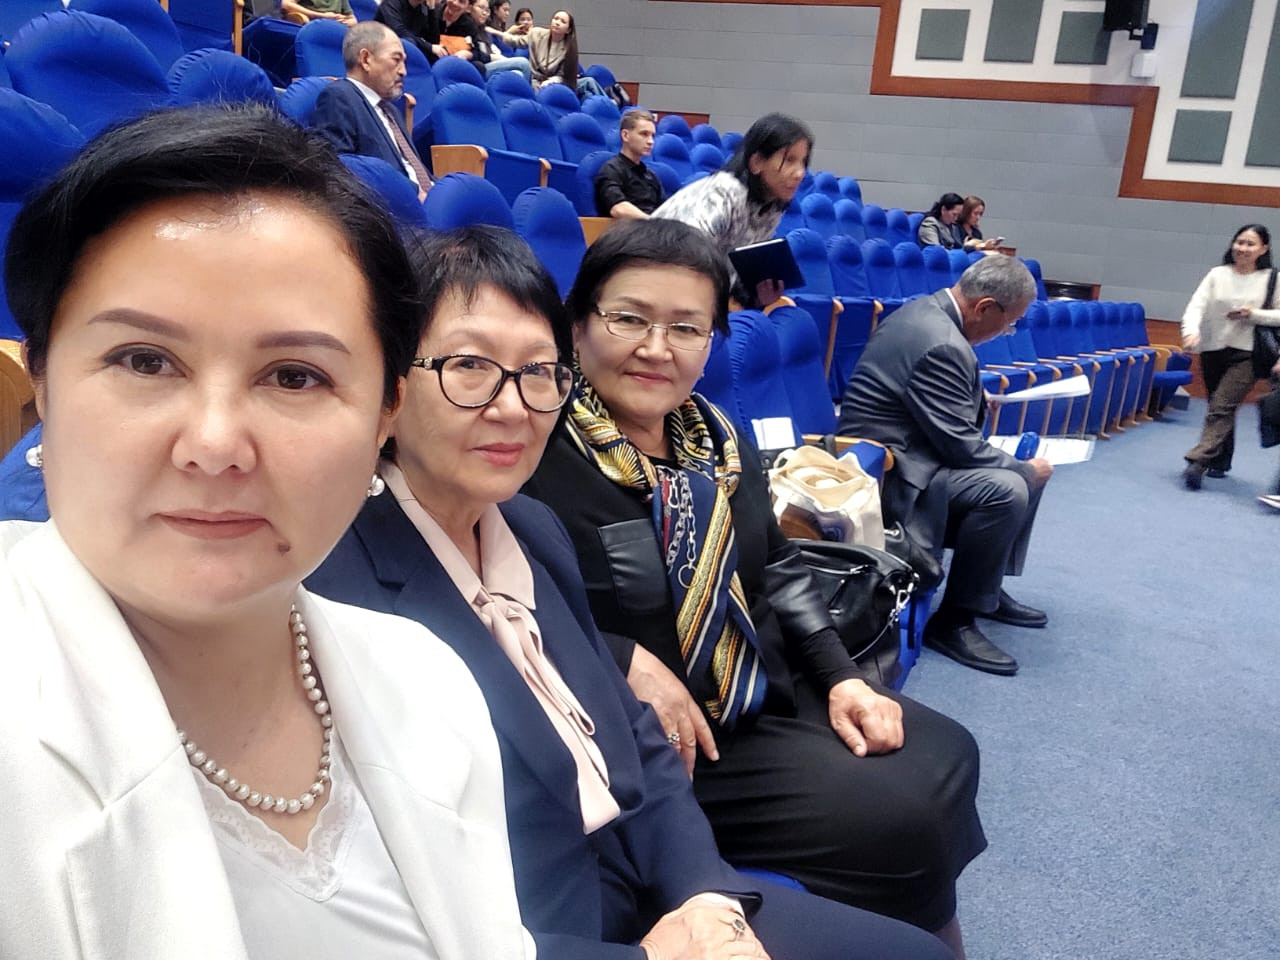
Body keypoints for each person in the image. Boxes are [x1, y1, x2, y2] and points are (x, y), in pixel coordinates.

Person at [308, 225, 955, 960]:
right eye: (469, 367)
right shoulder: (333, 591)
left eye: (536, 371)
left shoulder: (532, 524)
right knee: (896, 823)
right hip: (547, 928)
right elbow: (370, 906)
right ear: (388, 384)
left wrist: (705, 898)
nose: (513, 407)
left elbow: (635, 741)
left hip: (658, 854)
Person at [0, 105, 532, 958]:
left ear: (385, 415)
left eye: (294, 376)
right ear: (44, 383)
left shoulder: (429, 684)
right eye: (144, 361)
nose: (214, 444)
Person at [524, 218, 986, 958]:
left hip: (755, 690)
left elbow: (775, 569)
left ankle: (900, 926)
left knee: (947, 749)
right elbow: (504, 600)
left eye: (686, 327)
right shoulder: (532, 447)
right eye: (629, 319)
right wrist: (619, 657)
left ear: (712, 341)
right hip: (660, 743)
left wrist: (840, 677)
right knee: (899, 818)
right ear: (577, 326)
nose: (656, 348)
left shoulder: (717, 440)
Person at [837, 256, 1050, 677]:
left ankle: (985, 590)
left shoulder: (927, 312)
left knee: (1024, 472)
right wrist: (1025, 471)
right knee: (1010, 486)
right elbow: (962, 448)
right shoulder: (943, 342)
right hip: (892, 473)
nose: (1008, 331)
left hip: (915, 451)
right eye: (1010, 323)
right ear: (985, 307)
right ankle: (954, 621)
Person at [652, 112, 810, 309]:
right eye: (790, 160)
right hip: (652, 279)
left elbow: (734, 277)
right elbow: (681, 263)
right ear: (757, 163)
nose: (800, 173)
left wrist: (757, 297)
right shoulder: (724, 194)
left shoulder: (772, 207)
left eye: (803, 162)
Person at [1180, 223, 1280, 489]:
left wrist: (1253, 314)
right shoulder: (1217, 274)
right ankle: (1221, 461)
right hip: (1213, 349)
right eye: (1240, 242)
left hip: (1248, 352)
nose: (1243, 248)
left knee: (1222, 406)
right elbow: (1196, 306)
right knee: (1219, 404)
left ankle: (1197, 461)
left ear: (1263, 249)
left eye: (1250, 244)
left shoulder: (1272, 278)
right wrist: (1190, 332)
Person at [311, 22, 434, 202]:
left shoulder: (391, 110)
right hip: (395, 207)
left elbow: (412, 167)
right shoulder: (339, 97)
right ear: (366, 59)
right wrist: (414, 193)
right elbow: (338, 172)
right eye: (396, 60)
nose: (404, 71)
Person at [499, 10, 606, 98]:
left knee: (589, 82)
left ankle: (609, 104)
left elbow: (564, 77)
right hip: (537, 81)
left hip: (559, 82)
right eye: (555, 19)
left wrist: (553, 80)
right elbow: (515, 41)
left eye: (562, 21)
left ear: (568, 30)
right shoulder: (537, 34)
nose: (557, 22)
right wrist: (505, 33)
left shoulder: (568, 48)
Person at [594, 108, 665, 219]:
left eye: (652, 136)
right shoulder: (611, 169)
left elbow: (664, 210)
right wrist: (652, 223)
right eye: (644, 134)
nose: (650, 141)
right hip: (628, 228)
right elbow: (618, 208)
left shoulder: (651, 176)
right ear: (625, 135)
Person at [470, 0, 534, 80]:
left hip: (494, 61)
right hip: (480, 66)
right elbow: (477, 53)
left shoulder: (482, 29)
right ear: (469, 8)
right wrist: (508, 33)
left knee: (518, 73)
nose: (484, 13)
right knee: (523, 63)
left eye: (487, 10)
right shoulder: (483, 29)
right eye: (505, 10)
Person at [281, 0, 356, 26]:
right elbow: (286, 4)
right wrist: (322, 16)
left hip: (337, 27)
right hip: (312, 25)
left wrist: (344, 22)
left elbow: (353, 20)